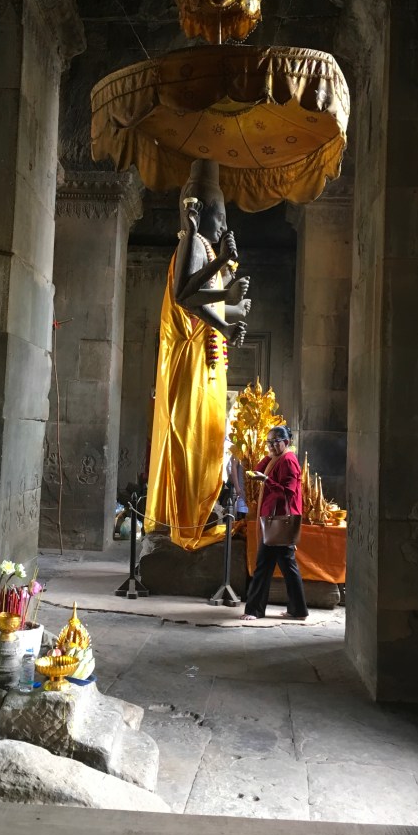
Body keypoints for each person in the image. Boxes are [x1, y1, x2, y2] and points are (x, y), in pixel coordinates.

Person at [145, 159, 252, 550]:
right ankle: (187, 522)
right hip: (189, 364)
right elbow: (186, 296)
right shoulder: (191, 242)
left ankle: (200, 517)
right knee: (191, 441)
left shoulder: (206, 247)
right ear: (199, 212)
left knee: (209, 442)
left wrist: (236, 303)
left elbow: (213, 301)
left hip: (206, 365)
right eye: (219, 215)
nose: (223, 224)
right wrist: (225, 288)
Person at [240, 425, 308, 621]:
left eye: (274, 442)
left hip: (279, 520)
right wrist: (268, 458)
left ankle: (254, 610)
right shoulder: (277, 458)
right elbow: (257, 471)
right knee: (285, 565)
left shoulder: (289, 461)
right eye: (268, 442)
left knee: (265, 565)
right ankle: (297, 610)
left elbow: (288, 492)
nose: (270, 445)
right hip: (273, 520)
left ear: (286, 442)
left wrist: (267, 480)